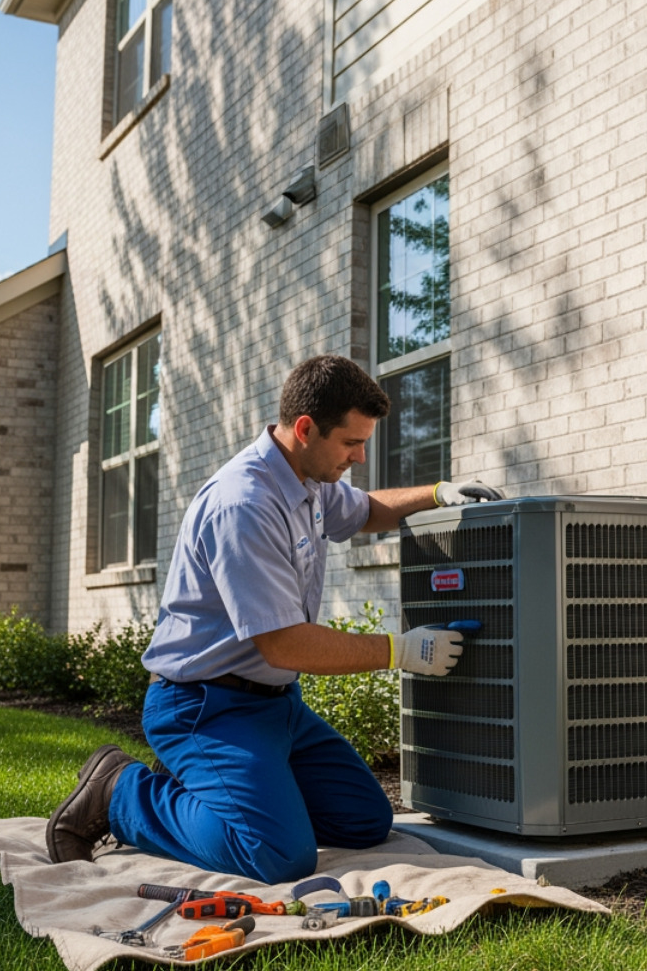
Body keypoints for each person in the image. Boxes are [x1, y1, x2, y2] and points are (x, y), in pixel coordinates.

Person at [43, 355, 501, 882]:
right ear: (305, 428)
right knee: (278, 854)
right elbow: (285, 646)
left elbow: (366, 510)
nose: (360, 455)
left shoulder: (308, 481)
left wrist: (439, 493)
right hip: (204, 705)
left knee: (364, 821)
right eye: (351, 443)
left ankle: (218, 793)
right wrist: (403, 651)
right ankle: (121, 791)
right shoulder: (244, 504)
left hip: (275, 707)